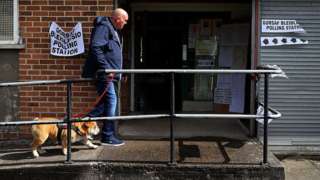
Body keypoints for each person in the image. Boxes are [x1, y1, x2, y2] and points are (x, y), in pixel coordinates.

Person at [82, 8, 129, 146]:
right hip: (105, 75)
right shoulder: (104, 27)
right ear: (117, 18)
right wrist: (106, 68)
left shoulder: (113, 30)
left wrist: (122, 72)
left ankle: (82, 124)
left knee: (106, 104)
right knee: (111, 102)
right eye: (125, 20)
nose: (125, 23)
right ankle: (107, 136)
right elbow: (95, 47)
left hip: (112, 75)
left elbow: (114, 55)